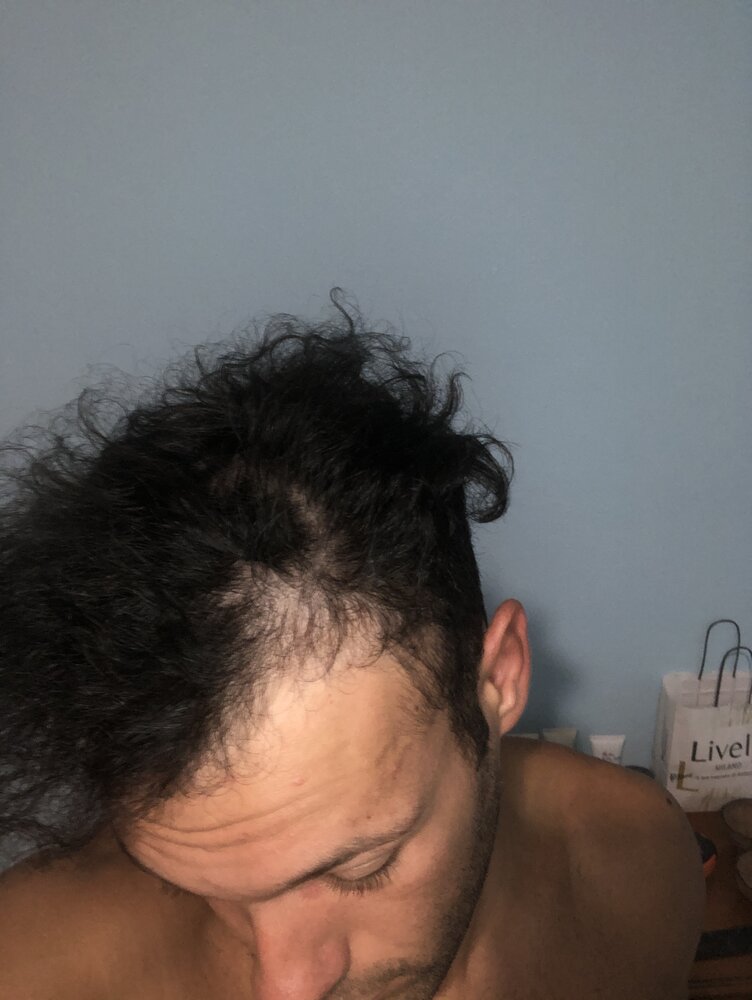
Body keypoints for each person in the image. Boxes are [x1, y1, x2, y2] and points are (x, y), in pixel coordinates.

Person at [0, 297, 704, 999]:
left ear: (499, 677)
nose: (287, 987)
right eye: (198, 885)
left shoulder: (634, 857)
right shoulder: (31, 965)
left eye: (362, 868)